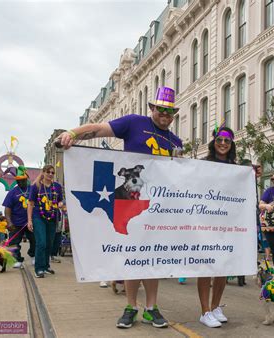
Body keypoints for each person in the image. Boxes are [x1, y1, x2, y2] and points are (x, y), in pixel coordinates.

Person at [57, 86, 182, 329]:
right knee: (132, 256)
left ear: (174, 114)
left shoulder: (175, 141)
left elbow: (181, 174)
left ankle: (151, 308)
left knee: (153, 256)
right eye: (161, 109)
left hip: (158, 205)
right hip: (129, 201)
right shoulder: (134, 123)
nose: (165, 114)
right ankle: (131, 306)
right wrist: (71, 133)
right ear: (152, 108)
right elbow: (99, 129)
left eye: (169, 111)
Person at [196, 126, 236, 328]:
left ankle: (215, 306)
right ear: (214, 142)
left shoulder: (235, 167)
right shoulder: (204, 164)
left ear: (231, 144)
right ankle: (204, 311)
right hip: (206, 222)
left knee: (222, 267)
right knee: (206, 267)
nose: (222, 144)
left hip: (227, 224)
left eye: (227, 141)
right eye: (219, 140)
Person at [28, 165, 63, 278]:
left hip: (52, 217)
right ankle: (38, 269)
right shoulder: (36, 186)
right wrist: (29, 220)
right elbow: (31, 204)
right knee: (41, 243)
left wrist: (61, 204)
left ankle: (46, 266)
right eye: (48, 172)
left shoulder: (57, 187)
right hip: (38, 217)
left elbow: (60, 201)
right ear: (43, 172)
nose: (50, 174)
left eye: (52, 172)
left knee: (49, 243)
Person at [3, 166, 36, 268]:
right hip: (16, 222)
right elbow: (7, 208)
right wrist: (9, 222)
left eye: (22, 180)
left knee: (35, 240)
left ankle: (33, 256)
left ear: (26, 179)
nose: (19, 182)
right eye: (18, 181)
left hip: (32, 221)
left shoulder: (33, 189)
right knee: (14, 242)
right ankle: (17, 259)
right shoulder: (12, 192)